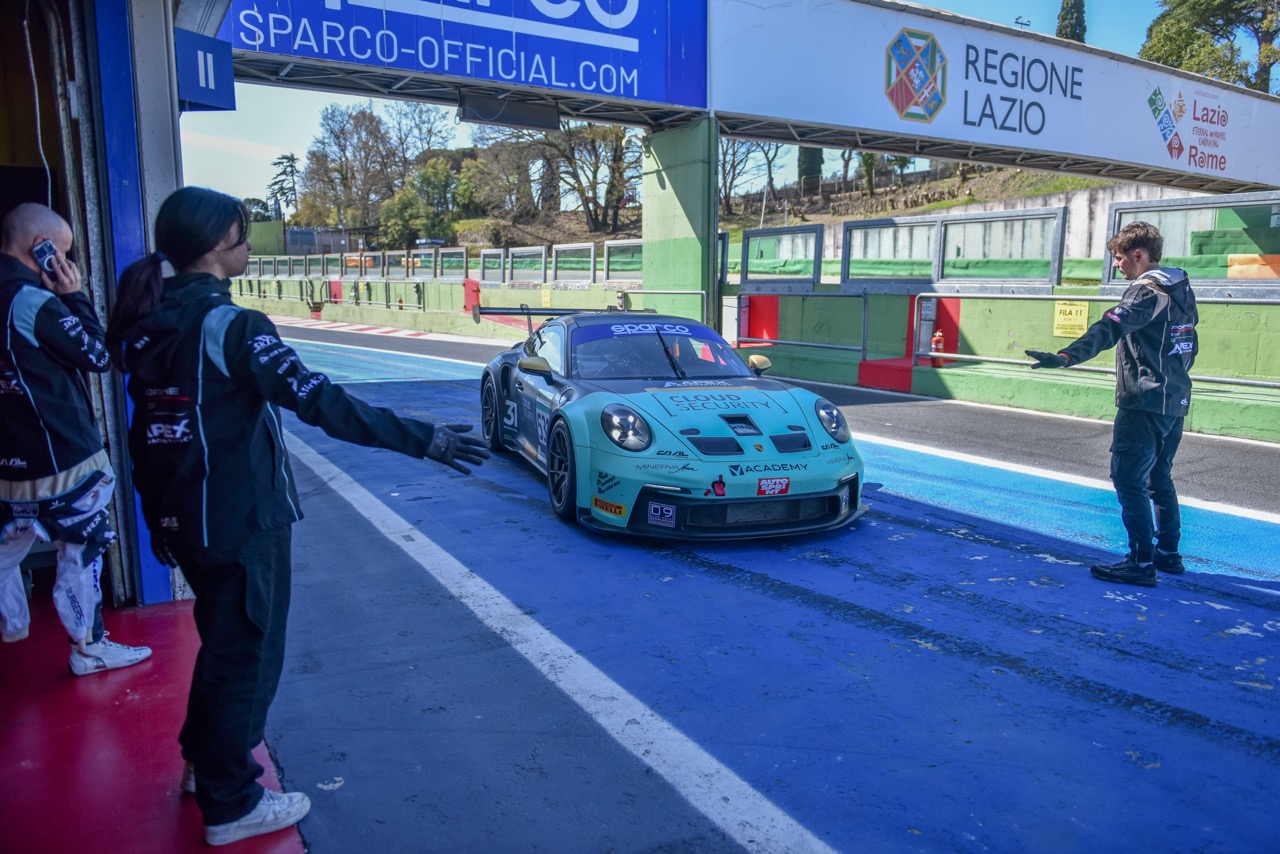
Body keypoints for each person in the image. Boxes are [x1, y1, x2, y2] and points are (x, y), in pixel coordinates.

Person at [106, 187, 488, 847]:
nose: (248, 245)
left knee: (220, 645)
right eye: (243, 234)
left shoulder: (145, 325)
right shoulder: (235, 328)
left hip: (184, 523)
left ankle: (206, 763)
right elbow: (322, 403)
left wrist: (155, 518)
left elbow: (141, 434)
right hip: (242, 520)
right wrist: (422, 438)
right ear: (220, 244)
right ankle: (231, 804)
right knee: (247, 656)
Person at [0, 203, 152, 674]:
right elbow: (97, 355)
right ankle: (89, 648)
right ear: (39, 249)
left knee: (5, 554)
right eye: (59, 252)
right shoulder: (32, 301)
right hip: (63, 456)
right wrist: (74, 295)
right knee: (82, 548)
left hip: (7, 463)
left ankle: (12, 626)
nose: (62, 261)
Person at [1026, 220, 1198, 587]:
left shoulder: (1146, 292)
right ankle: (1168, 553)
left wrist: (1067, 356)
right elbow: (1188, 345)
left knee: (1127, 479)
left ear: (1138, 255)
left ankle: (1140, 563)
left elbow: (1110, 327)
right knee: (1158, 477)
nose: (1117, 266)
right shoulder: (1181, 287)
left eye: (1120, 259)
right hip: (1175, 400)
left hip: (1144, 401)